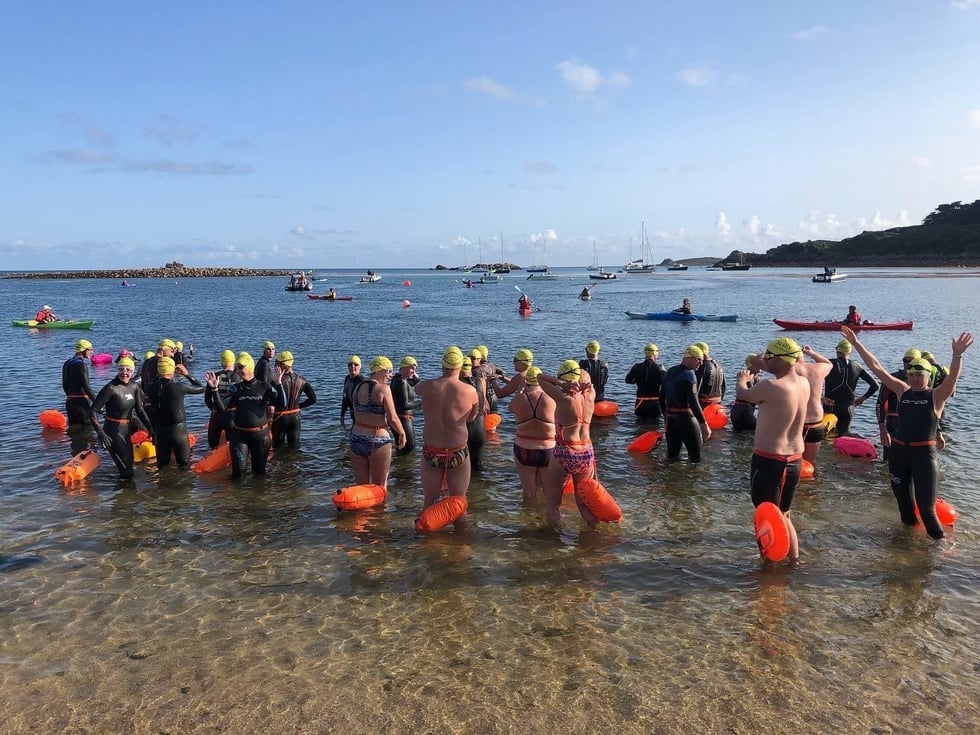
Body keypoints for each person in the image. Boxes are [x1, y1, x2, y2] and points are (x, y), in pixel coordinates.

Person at [842, 326, 973, 540]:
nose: (914, 378)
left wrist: (957, 354)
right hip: (898, 454)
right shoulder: (902, 390)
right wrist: (856, 344)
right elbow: (876, 368)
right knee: (904, 509)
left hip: (924, 457)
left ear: (928, 376)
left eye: (919, 374)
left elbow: (951, 380)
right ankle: (907, 549)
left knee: (927, 510)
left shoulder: (936, 396)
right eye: (911, 374)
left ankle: (939, 558)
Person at [736, 337, 810, 562]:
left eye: (769, 355)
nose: (765, 358)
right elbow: (784, 368)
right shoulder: (803, 383)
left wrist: (742, 379)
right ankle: (794, 561)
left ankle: (769, 571)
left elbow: (744, 395)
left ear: (780, 359)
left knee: (766, 517)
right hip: (795, 459)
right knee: (785, 515)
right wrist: (765, 362)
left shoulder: (769, 386)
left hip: (770, 461)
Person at [415, 347, 479, 521]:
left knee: (429, 499)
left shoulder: (426, 386)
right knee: (458, 501)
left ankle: (426, 541)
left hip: (432, 451)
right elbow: (472, 417)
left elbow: (416, 388)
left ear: (443, 364)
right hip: (457, 451)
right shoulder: (470, 391)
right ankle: (460, 545)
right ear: (460, 366)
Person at [538, 360, 598, 528]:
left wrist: (559, 382)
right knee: (583, 503)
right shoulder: (590, 395)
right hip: (586, 452)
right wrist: (585, 383)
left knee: (553, 503)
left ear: (564, 379)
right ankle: (591, 537)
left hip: (565, 451)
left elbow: (540, 378)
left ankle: (554, 539)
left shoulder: (564, 399)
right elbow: (587, 380)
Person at [205, 352, 278, 479]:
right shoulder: (235, 389)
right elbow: (222, 408)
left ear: (249, 367)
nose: (237, 370)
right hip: (240, 437)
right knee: (238, 475)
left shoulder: (264, 386)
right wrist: (215, 389)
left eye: (240, 367)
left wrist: (279, 384)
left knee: (259, 474)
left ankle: (257, 499)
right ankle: (238, 498)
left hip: (261, 437)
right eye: (236, 367)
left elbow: (281, 402)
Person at [89, 357, 153, 480]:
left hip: (125, 431)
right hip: (111, 432)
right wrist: (101, 433)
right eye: (121, 369)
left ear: (133, 372)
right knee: (127, 472)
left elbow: (139, 410)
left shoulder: (134, 387)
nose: (124, 372)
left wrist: (150, 428)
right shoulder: (111, 388)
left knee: (129, 466)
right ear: (117, 370)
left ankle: (123, 496)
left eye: (128, 370)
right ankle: (122, 494)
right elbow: (92, 411)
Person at [349, 356, 405, 488]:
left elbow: (356, 414)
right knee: (379, 486)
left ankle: (362, 509)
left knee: (361, 486)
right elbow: (393, 418)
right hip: (377, 439)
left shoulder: (357, 388)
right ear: (380, 370)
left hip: (356, 437)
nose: (390, 375)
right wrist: (402, 434)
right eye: (389, 371)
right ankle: (381, 509)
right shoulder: (383, 389)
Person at [144, 357, 206, 469]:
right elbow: (201, 388)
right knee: (184, 466)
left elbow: (154, 381)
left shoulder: (149, 387)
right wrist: (187, 374)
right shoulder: (178, 387)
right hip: (178, 432)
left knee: (162, 467)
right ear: (172, 370)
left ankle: (162, 486)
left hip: (160, 431)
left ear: (159, 370)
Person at [507, 366, 557, 503]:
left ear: (526, 381)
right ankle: (547, 520)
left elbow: (510, 408)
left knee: (528, 493)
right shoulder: (551, 399)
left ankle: (529, 519)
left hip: (524, 448)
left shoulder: (520, 399)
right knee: (549, 492)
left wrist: (520, 389)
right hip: (547, 449)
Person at [661, 345, 711, 461]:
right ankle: (693, 478)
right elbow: (694, 403)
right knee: (695, 458)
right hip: (687, 420)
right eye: (699, 360)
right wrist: (704, 424)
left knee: (672, 457)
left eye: (702, 361)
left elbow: (661, 397)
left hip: (671, 420)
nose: (701, 364)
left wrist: (666, 417)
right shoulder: (690, 375)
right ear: (689, 358)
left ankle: (670, 478)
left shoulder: (669, 372)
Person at [823, 338, 878, 434]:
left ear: (837, 350)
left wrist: (821, 398)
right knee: (843, 436)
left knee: (824, 436)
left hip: (830, 406)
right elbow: (875, 385)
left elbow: (812, 379)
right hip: (848, 408)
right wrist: (862, 398)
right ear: (849, 352)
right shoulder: (857, 366)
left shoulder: (829, 364)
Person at [876, 348, 920, 462]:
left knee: (912, 461)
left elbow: (930, 408)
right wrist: (882, 428)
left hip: (915, 427)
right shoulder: (893, 378)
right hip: (893, 425)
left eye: (911, 361)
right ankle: (884, 479)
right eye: (906, 360)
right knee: (888, 461)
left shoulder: (924, 381)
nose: (908, 363)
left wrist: (937, 431)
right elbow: (880, 403)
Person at [271, 350, 317, 448]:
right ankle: (294, 463)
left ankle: (280, 463)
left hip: (280, 418)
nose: (274, 365)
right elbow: (313, 399)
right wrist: (299, 406)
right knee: (294, 447)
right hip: (295, 418)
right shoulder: (302, 380)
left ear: (282, 365)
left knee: (277, 448)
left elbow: (269, 400)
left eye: (276, 363)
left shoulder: (275, 381)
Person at [796, 344, 833, 468]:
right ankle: (811, 486)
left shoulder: (788, 369)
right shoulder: (817, 369)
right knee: (810, 464)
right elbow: (829, 363)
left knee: (792, 462)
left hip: (796, 422)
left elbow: (757, 361)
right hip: (815, 422)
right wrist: (811, 353)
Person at [205, 349, 241, 449]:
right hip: (232, 416)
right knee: (232, 447)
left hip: (216, 416)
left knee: (213, 446)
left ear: (221, 362)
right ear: (234, 361)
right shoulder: (238, 377)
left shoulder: (214, 376)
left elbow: (207, 400)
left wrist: (214, 408)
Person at [460, 353, 487, 472]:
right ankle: (479, 488)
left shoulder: (458, 385)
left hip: (465, 427)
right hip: (480, 427)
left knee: (462, 468)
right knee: (478, 466)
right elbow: (484, 403)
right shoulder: (481, 381)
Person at [625, 343, 666, 421]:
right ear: (655, 353)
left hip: (641, 402)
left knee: (639, 427)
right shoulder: (660, 368)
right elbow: (666, 383)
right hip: (655, 403)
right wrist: (664, 372)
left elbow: (628, 380)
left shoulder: (637, 367)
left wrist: (635, 380)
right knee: (655, 427)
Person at [390, 356, 421, 455]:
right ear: (403, 368)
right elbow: (405, 405)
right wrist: (422, 403)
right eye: (411, 368)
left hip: (400, 418)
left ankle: (398, 465)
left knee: (402, 445)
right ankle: (401, 466)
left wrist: (414, 375)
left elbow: (419, 384)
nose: (414, 371)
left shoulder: (398, 378)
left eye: (415, 369)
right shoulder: (402, 382)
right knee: (409, 446)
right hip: (403, 418)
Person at [62, 338, 96, 428]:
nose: (92, 352)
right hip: (82, 404)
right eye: (90, 349)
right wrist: (97, 404)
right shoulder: (82, 365)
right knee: (86, 432)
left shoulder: (67, 363)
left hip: (70, 403)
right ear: (83, 350)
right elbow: (87, 387)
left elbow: (65, 385)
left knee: (73, 432)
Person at [730, 354, 760, 432]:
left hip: (742, 413)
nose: (760, 369)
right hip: (743, 414)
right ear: (750, 365)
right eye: (758, 365)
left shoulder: (755, 377)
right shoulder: (744, 377)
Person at [694, 341, 726, 409]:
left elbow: (697, 387)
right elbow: (724, 386)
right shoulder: (719, 365)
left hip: (704, 403)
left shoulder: (702, 366)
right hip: (717, 402)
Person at [340, 355, 364, 427]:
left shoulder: (362, 381)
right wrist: (342, 415)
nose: (352, 366)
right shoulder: (347, 378)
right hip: (353, 414)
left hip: (361, 416)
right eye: (350, 364)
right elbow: (345, 398)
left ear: (360, 367)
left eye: (355, 365)